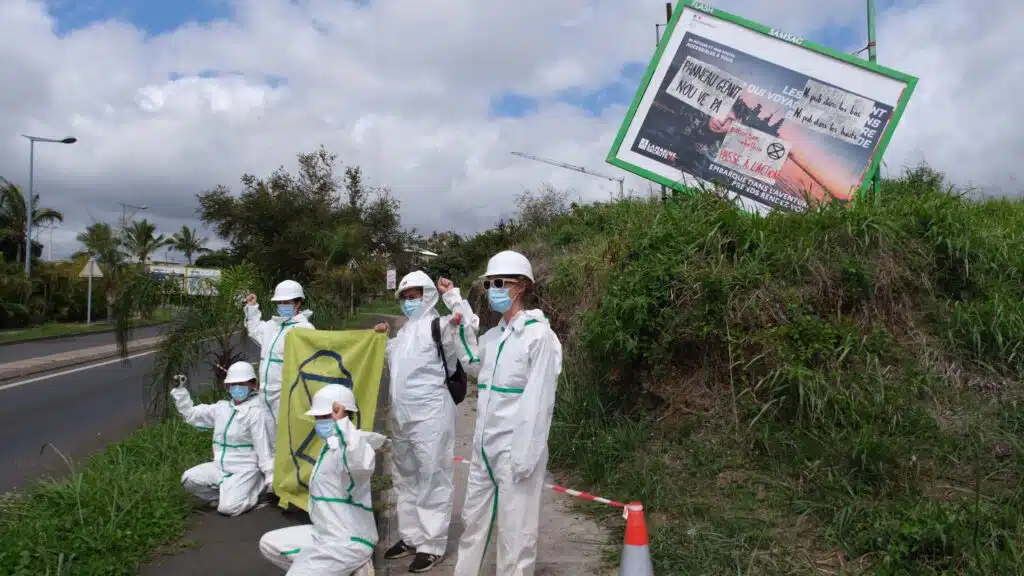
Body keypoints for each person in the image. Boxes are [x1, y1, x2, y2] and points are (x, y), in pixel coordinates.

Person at [448, 250, 563, 576]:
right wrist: (457, 311)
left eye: (500, 283)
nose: (493, 290)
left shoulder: (538, 336)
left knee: (516, 535)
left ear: (521, 286)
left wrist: (525, 455)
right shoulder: (495, 337)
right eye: (489, 284)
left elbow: (539, 401)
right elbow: (472, 361)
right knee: (473, 523)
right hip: (484, 449)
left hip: (517, 449)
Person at [372, 270, 474, 573]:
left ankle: (432, 544)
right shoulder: (403, 334)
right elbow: (389, 361)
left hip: (431, 417)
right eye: (404, 297)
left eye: (414, 295)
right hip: (404, 419)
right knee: (406, 477)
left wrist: (453, 297)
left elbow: (468, 328)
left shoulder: (440, 326)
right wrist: (378, 338)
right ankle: (411, 536)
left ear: (428, 295)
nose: (408, 301)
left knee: (432, 476)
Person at [258, 384, 385, 576]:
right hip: (324, 533)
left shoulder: (355, 446)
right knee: (269, 544)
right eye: (318, 417)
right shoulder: (330, 446)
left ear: (343, 415)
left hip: (348, 541)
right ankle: (342, 570)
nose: (320, 421)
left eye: (326, 416)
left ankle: (349, 564)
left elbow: (360, 465)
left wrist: (343, 424)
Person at [171, 361, 274, 517]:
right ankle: (227, 493)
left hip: (246, 469)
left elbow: (264, 448)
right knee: (188, 479)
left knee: (228, 509)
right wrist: (180, 391)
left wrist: (270, 477)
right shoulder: (222, 408)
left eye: (241, 383)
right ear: (227, 386)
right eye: (233, 384)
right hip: (221, 467)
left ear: (253, 384)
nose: (236, 388)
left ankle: (256, 491)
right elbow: (192, 414)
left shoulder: (257, 412)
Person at [244, 279, 315, 455]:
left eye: (287, 302)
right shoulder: (272, 327)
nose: (282, 306)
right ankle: (274, 477)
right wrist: (252, 308)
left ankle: (292, 477)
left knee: (289, 437)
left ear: (298, 303)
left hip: (287, 394)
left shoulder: (305, 329)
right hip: (265, 394)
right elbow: (254, 329)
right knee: (268, 439)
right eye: (280, 302)